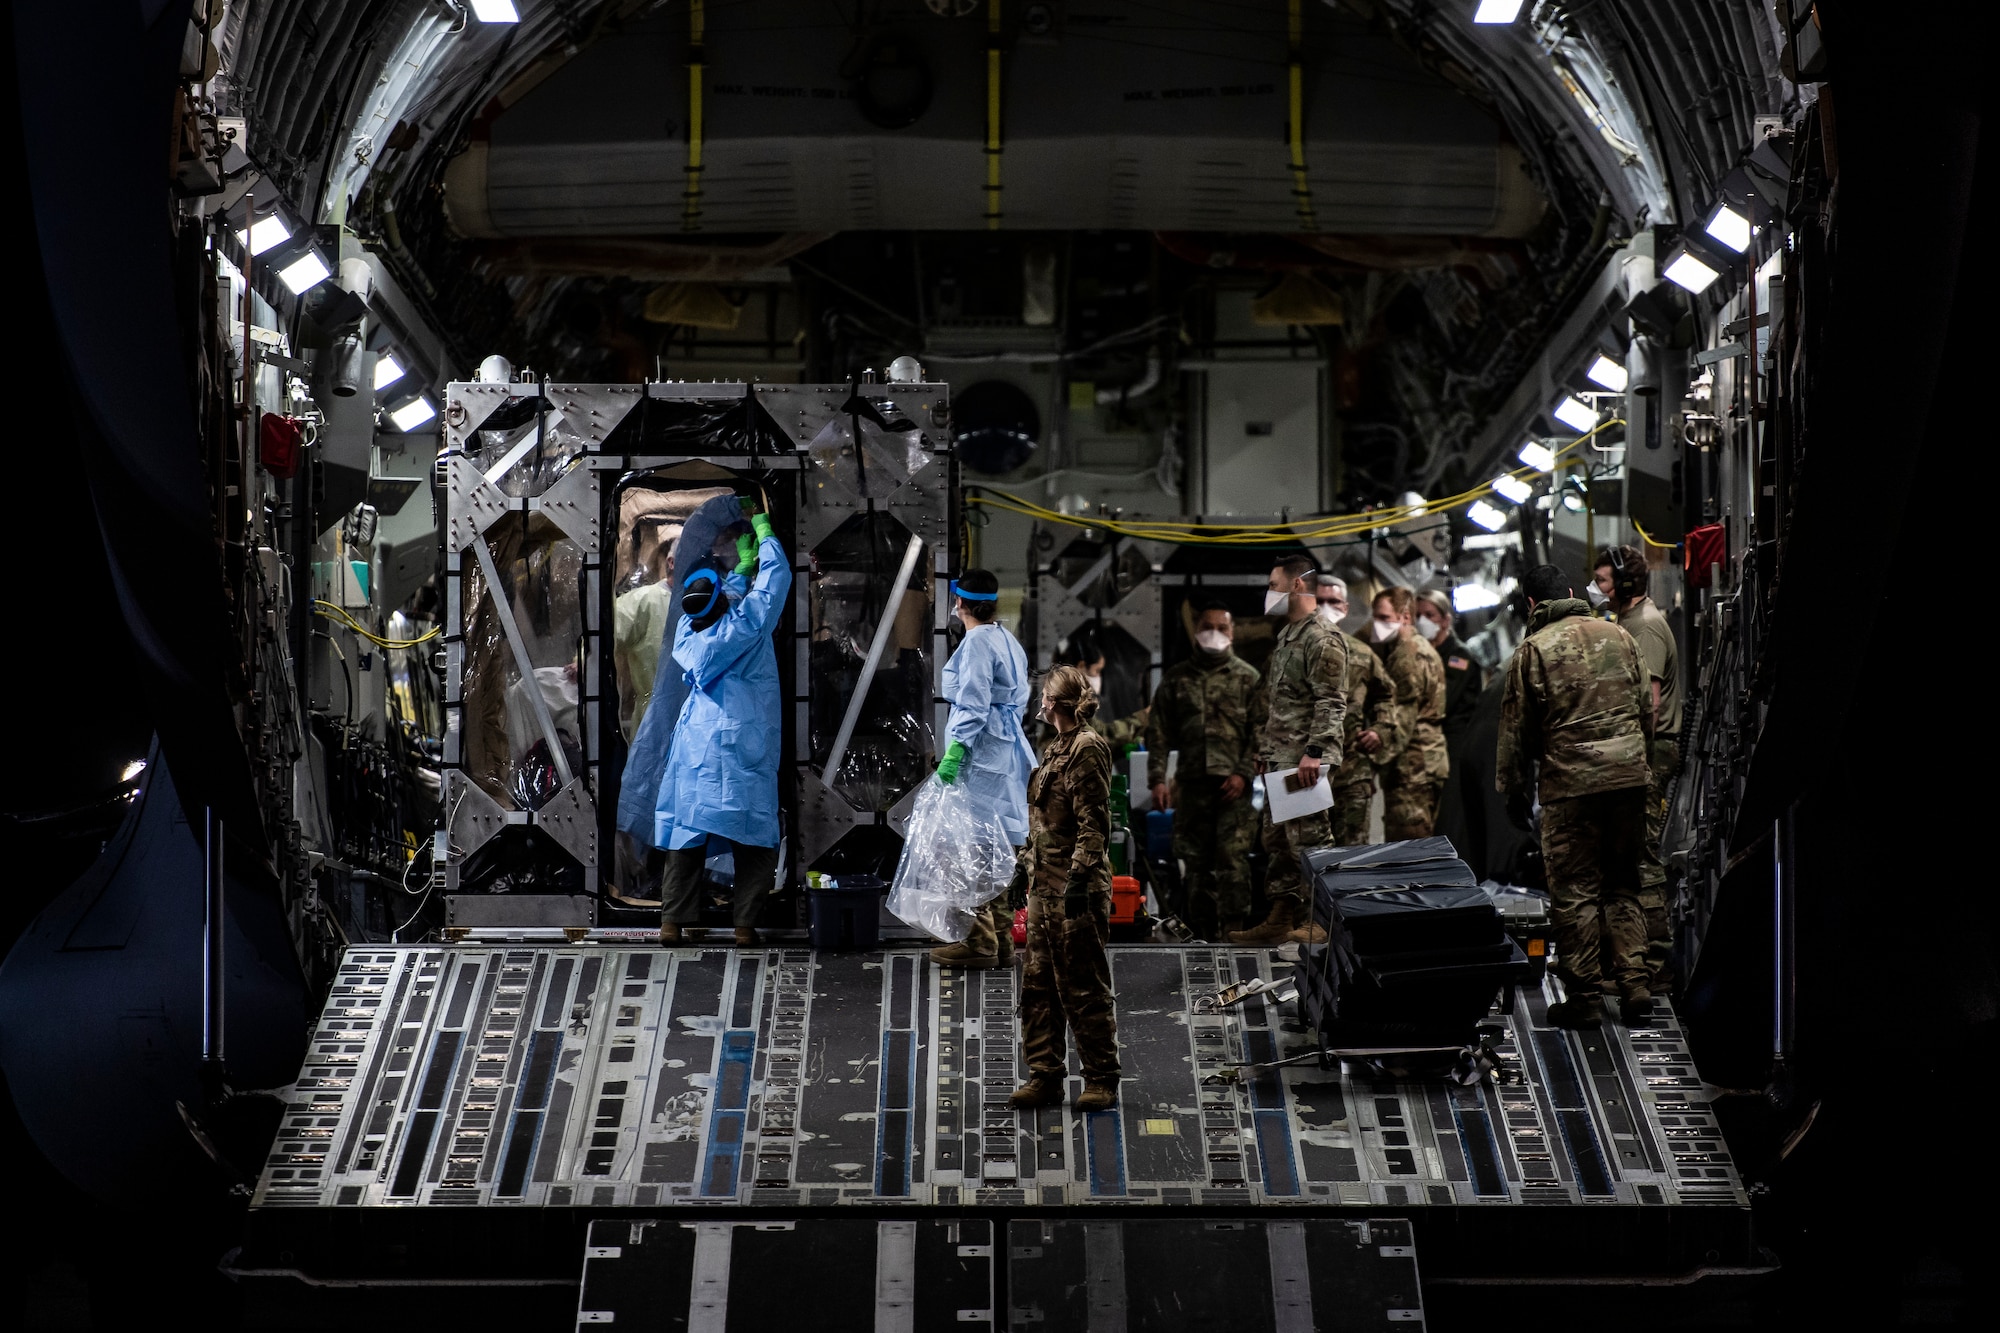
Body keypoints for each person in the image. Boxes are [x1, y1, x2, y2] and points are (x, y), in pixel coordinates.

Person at [1497, 564, 1654, 1028]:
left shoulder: (1532, 651)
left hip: (1572, 787)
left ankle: (1585, 998)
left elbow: (1515, 734)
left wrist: (1513, 792)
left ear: (1530, 605)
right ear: (1571, 592)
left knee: (1575, 892)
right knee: (1623, 883)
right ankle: (1635, 985)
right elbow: (1646, 708)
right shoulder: (1620, 636)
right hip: (1629, 779)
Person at [656, 501, 792, 947]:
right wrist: (764, 534)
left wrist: (740, 570)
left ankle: (672, 924)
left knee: (687, 833)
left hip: (697, 738)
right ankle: (743, 927)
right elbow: (776, 583)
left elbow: (720, 602)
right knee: (753, 834)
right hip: (743, 735)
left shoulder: (688, 632)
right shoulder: (749, 624)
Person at [1009, 665, 1121, 1113]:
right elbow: (1045, 824)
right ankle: (1045, 1076)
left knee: (1082, 985)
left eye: (1043, 696)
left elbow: (1095, 824)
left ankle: (1100, 1078)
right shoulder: (1056, 748)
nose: (1039, 702)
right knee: (1038, 986)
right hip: (1044, 885)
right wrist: (1025, 867)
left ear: (1053, 703)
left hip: (1076, 889)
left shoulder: (1086, 749)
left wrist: (1078, 877)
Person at [1230, 556, 1346, 946]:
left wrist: (1315, 752)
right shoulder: (1288, 634)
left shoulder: (1321, 637)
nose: (1270, 592)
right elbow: (1282, 702)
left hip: (1303, 760)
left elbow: (1331, 701)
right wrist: (1266, 749)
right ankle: (1282, 917)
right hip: (1281, 757)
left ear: (1297, 585)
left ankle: (1323, 919)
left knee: (1311, 841)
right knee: (1278, 843)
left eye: (1273, 583)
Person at [928, 569, 1040, 970]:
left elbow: (973, 704)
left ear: (958, 603)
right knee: (998, 850)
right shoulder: (1006, 640)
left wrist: (955, 751)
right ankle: (1003, 942)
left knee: (967, 849)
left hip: (981, 756)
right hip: (1006, 754)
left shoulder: (976, 642)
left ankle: (979, 941)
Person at [1144, 602, 1264, 936]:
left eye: (1222, 628)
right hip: (1192, 785)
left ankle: (1234, 929)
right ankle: (1201, 933)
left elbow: (1261, 732)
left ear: (1233, 632)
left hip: (1234, 789)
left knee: (1232, 860)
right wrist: (1157, 779)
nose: (1215, 633)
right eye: (1207, 626)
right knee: (1195, 863)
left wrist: (1242, 773)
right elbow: (1158, 732)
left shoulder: (1248, 678)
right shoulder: (1177, 679)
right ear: (1196, 632)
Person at [1594, 544, 1681, 990]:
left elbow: (1648, 704)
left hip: (1648, 752)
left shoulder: (1644, 627)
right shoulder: (1625, 623)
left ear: (1626, 584)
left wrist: (1630, 762)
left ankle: (1654, 965)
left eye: (1604, 581)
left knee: (1644, 856)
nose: (1597, 588)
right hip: (1635, 753)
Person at [1369, 587, 1450, 840]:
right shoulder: (1420, 647)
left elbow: (1400, 721)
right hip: (1426, 762)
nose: (1377, 624)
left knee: (1410, 853)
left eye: (1384, 617)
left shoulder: (1406, 656)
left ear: (1405, 616)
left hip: (1411, 768)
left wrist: (1372, 762)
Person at [1329, 599, 1402, 847]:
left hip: (1351, 769)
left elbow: (1386, 695)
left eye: (1333, 601)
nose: (1326, 607)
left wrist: (1379, 730)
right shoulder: (1289, 652)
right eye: (1320, 601)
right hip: (1303, 774)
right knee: (1301, 856)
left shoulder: (1360, 653)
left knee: (1352, 854)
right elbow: (1265, 708)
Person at [1413, 589, 1484, 741]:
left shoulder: (1459, 657)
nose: (1422, 621)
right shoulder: (1426, 652)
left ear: (1446, 620)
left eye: (1429, 615)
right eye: (1418, 616)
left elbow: (1443, 701)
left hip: (1456, 740)